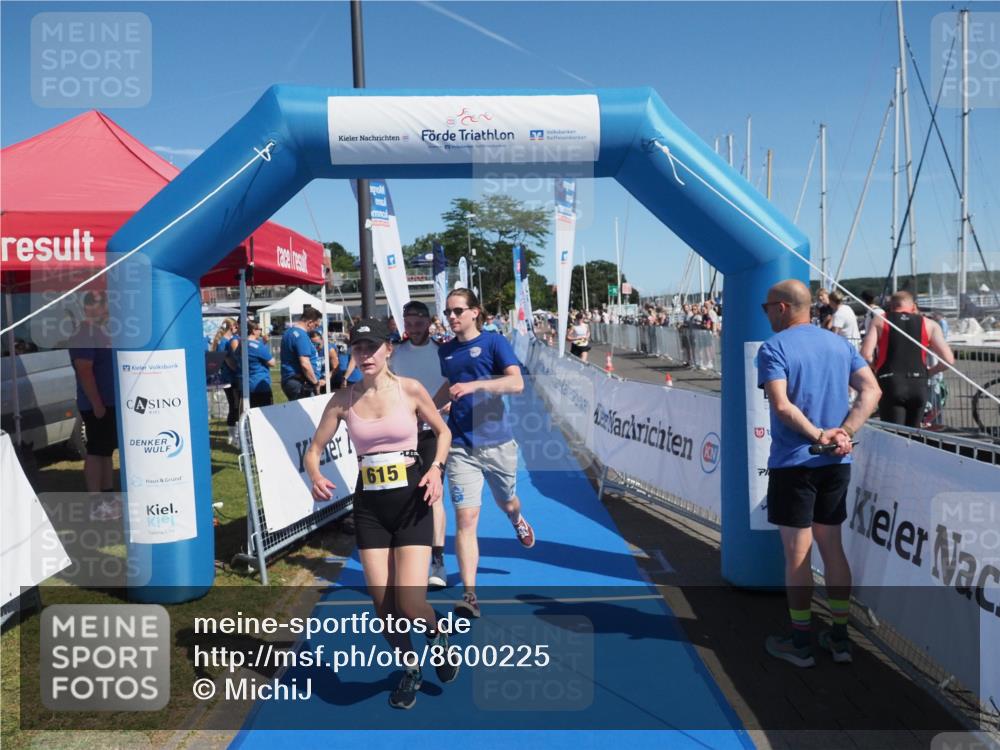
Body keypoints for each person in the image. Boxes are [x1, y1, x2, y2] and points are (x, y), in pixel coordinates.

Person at [305, 318, 455, 709]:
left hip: (412, 503)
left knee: (409, 603)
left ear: (389, 349)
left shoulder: (411, 390)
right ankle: (411, 671)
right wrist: (316, 474)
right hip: (370, 508)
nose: (366, 354)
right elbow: (312, 450)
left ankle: (438, 637)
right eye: (358, 348)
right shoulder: (343, 399)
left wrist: (436, 469)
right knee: (384, 609)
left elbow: (443, 433)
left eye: (373, 347)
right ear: (352, 352)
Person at [758, 279, 880, 668]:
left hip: (797, 462)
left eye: (766, 308)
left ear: (781, 308)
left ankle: (800, 642)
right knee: (832, 547)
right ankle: (840, 638)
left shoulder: (774, 347)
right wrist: (844, 433)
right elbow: (872, 392)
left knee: (797, 555)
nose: (765, 314)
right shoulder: (840, 344)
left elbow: (781, 406)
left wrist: (820, 436)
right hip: (835, 464)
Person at [437, 289, 532, 619]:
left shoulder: (494, 342)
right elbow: (451, 384)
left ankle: (516, 518)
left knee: (507, 501)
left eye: (458, 310)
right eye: (448, 311)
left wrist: (475, 387)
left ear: (475, 311)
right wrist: (429, 408)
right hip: (461, 445)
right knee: (466, 520)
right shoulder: (446, 350)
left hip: (497, 443)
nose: (452, 317)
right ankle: (470, 595)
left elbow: (517, 384)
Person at [391, 300, 450, 588]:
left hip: (432, 434)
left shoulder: (443, 353)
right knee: (403, 496)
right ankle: (406, 558)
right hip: (401, 437)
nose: (413, 329)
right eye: (408, 323)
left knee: (433, 495)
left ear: (428, 323)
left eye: (418, 323)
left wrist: (443, 405)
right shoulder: (395, 353)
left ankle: (437, 562)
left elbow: (452, 384)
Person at [859, 291, 955, 428]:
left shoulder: (881, 320)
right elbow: (948, 360)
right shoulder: (930, 324)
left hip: (891, 382)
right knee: (913, 435)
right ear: (913, 306)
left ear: (891, 306)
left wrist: (876, 368)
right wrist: (930, 372)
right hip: (918, 383)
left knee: (894, 434)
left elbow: (866, 355)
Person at [69, 291, 120, 521]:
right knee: (96, 451)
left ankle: (108, 499)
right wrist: (97, 404)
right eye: (103, 305)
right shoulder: (84, 334)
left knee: (106, 451)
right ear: (90, 306)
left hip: (109, 402)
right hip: (96, 404)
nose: (107, 309)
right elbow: (84, 370)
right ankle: (96, 503)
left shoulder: (101, 332)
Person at [280, 308, 322, 401]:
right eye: (316, 325)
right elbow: (305, 364)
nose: (316, 328)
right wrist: (315, 383)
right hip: (300, 382)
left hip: (293, 381)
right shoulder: (301, 335)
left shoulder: (289, 332)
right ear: (310, 322)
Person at [212, 318, 241, 445]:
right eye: (236, 326)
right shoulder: (223, 342)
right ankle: (232, 435)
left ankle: (235, 435)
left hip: (234, 377)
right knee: (234, 406)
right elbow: (225, 359)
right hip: (229, 378)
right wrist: (236, 367)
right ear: (232, 327)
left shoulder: (229, 340)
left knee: (236, 406)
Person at [238, 321, 275, 408]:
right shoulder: (257, 345)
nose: (261, 332)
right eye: (260, 329)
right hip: (260, 384)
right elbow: (272, 362)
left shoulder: (242, 344)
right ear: (254, 330)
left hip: (247, 385)